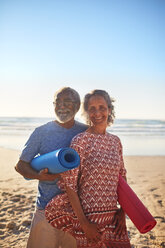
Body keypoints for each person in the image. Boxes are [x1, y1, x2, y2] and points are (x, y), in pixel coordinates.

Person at [45, 89, 131, 248]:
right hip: (89, 222)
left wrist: (122, 211)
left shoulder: (115, 141)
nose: (97, 112)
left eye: (102, 107)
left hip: (113, 219)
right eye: (92, 108)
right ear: (87, 112)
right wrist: (84, 224)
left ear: (109, 110)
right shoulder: (80, 141)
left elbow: (122, 178)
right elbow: (69, 185)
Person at [15, 87, 87, 248]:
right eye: (57, 102)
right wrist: (40, 176)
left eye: (67, 102)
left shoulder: (85, 132)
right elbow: (20, 165)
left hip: (77, 210)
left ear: (77, 106)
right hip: (45, 207)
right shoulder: (41, 132)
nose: (61, 106)